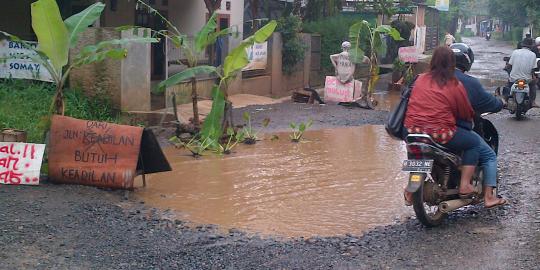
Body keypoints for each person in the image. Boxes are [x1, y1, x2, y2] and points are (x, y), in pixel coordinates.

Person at [404, 46, 479, 202]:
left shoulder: (420, 78)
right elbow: (465, 112)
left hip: (412, 130)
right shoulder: (454, 84)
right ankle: (465, 185)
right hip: (439, 133)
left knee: (416, 155)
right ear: (452, 63)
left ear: (433, 61)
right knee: (474, 143)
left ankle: (410, 190)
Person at [450, 43, 508, 208]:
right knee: (487, 154)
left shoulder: (431, 78)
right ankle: (488, 196)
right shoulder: (468, 82)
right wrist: (500, 103)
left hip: (422, 129)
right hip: (451, 129)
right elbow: (490, 103)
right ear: (467, 61)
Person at [504, 38, 538, 107]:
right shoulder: (533, 55)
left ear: (522, 44)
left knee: (508, 85)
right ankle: (533, 102)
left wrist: (506, 68)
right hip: (527, 80)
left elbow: (509, 65)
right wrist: (534, 77)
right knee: (533, 85)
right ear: (531, 45)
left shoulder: (515, 52)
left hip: (514, 78)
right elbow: (533, 69)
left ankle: (505, 101)